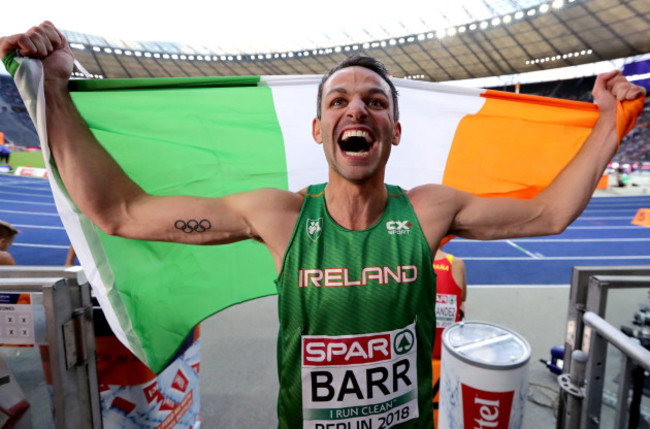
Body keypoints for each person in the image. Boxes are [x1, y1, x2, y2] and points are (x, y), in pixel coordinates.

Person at [0, 21, 645, 428]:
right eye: (338, 100)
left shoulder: (428, 210)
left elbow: (551, 212)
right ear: (319, 130)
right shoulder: (279, 217)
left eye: (374, 101)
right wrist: (54, 88)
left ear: (393, 129)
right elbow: (122, 212)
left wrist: (607, 125)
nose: (355, 108)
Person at [432, 248, 466, 359]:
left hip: (416, 349)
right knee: (460, 305)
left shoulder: (407, 262)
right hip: (448, 347)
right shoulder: (457, 263)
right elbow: (462, 298)